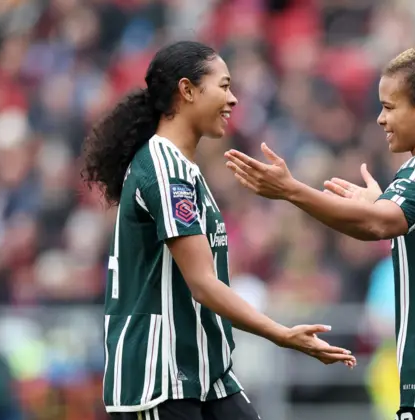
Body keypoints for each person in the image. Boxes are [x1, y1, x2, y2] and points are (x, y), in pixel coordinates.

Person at [225, 40, 415, 420]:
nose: (381, 120)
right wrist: (387, 202)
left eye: (388, 108)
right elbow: (413, 224)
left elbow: (375, 225)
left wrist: (290, 190)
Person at [81, 41, 356, 420]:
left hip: (206, 371)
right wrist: (281, 333)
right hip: (161, 376)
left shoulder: (185, 169)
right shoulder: (164, 170)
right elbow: (203, 283)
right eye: (224, 86)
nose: (234, 99)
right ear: (187, 90)